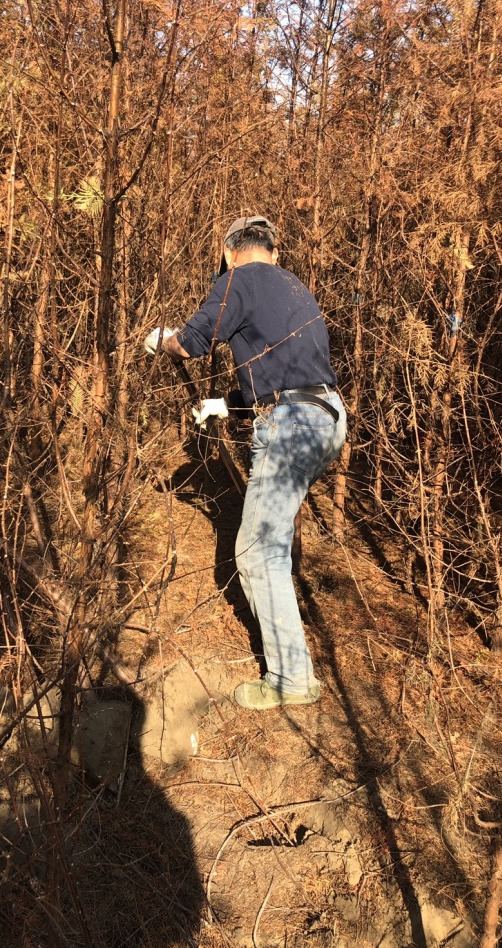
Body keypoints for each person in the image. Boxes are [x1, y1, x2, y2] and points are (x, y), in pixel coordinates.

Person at [144, 216, 346, 710]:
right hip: (328, 416)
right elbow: (284, 369)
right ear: (273, 251)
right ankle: (290, 660)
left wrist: (162, 340)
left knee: (258, 552)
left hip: (293, 421)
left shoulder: (238, 278)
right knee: (270, 543)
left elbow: (193, 342)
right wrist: (227, 404)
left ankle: (291, 680)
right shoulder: (295, 288)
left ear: (228, 251)